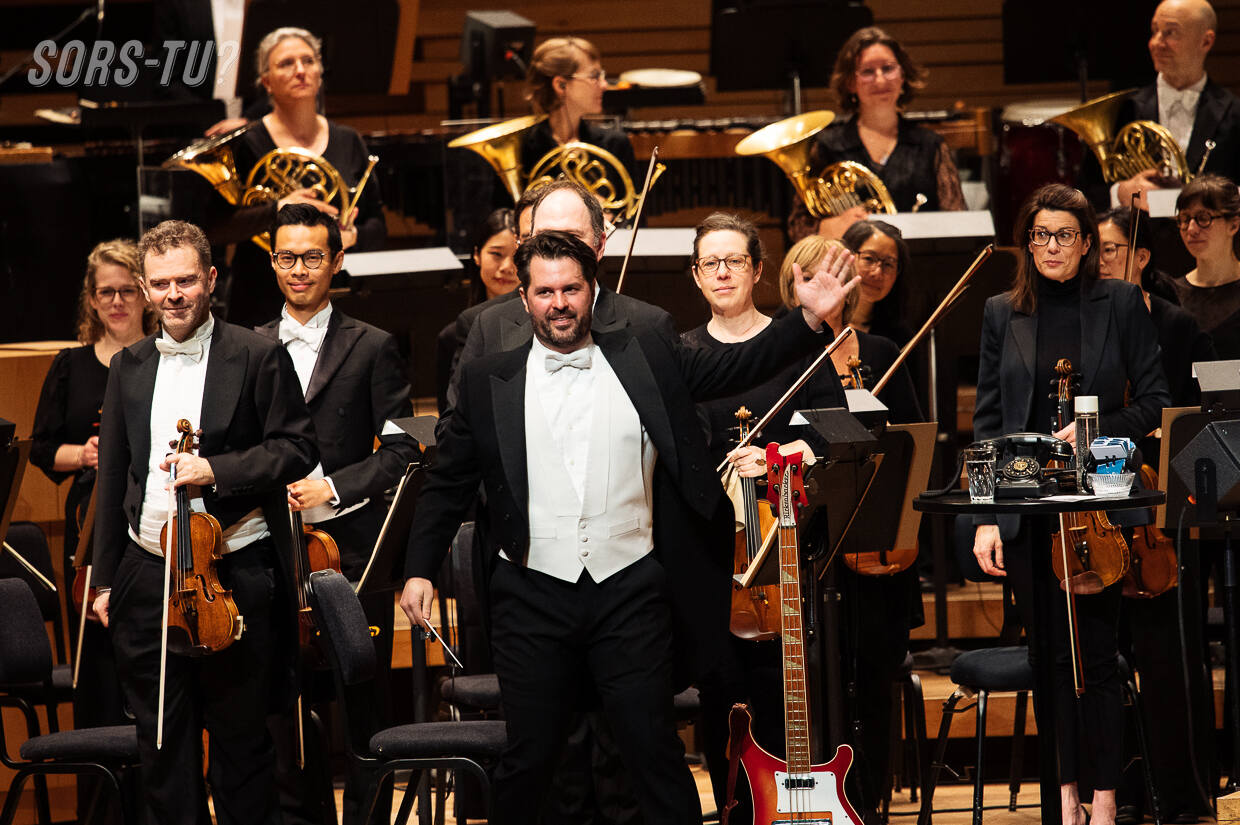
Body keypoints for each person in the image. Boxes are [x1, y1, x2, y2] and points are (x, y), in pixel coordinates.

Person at [400, 229, 856, 824]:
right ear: (524, 298)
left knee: (653, 751)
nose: (559, 304)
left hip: (630, 589)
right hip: (530, 594)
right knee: (529, 757)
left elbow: (736, 366)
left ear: (593, 291)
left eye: (571, 289)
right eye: (545, 292)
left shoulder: (645, 355)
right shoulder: (488, 377)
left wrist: (809, 320)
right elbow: (448, 481)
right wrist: (419, 569)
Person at [92, 220, 317, 825]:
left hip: (234, 572)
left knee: (242, 748)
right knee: (162, 749)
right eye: (161, 283)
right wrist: (107, 580)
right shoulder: (129, 366)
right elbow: (114, 475)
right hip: (147, 573)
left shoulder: (257, 353)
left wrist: (215, 469)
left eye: (186, 280)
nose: (174, 295)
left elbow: (297, 448)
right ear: (145, 287)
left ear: (211, 279)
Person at [971, 184, 1170, 825]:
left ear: (1086, 244)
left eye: (1064, 235)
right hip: (1027, 505)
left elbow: (1156, 401)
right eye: (1040, 235)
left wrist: (1091, 432)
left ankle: (1105, 800)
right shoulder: (1002, 311)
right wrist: (986, 517)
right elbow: (988, 420)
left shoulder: (1120, 303)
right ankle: (1064, 800)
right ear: (1026, 243)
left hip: (1099, 505)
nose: (1051, 246)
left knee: (1099, 656)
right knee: (1049, 658)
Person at [678, 212, 849, 818]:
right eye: (710, 263)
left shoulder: (792, 344)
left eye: (735, 261)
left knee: (789, 694)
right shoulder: (681, 355)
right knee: (723, 697)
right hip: (716, 558)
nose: (722, 272)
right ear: (696, 276)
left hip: (789, 547)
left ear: (757, 270)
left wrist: (781, 456)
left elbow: (833, 431)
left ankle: (799, 810)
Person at [255, 203, 418, 825]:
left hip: (352, 549)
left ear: (337, 260)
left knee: (362, 701)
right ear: (272, 262)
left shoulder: (373, 345)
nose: (298, 269)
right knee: (283, 707)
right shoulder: (246, 346)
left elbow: (403, 449)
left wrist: (332, 488)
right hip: (267, 548)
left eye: (312, 257)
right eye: (286, 257)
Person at [30, 239, 157, 824]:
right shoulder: (72, 365)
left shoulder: (161, 357)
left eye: (128, 290)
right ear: (92, 297)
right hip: (89, 526)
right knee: (98, 670)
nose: (117, 301)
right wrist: (82, 454)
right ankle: (102, 812)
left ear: (144, 295)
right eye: (106, 291)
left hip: (152, 521)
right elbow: (40, 449)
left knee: (149, 666)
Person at [1096, 205, 1215, 825]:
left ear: (1141, 258)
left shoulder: (1176, 325)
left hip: (1164, 514)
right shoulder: (1080, 322)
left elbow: (1202, 421)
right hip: (1097, 511)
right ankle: (1120, 791)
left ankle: (1182, 796)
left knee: (1170, 659)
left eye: (1110, 249)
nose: (1098, 260)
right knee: (1103, 660)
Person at [209, 26, 385, 328]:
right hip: (261, 301)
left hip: (338, 300)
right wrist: (278, 210)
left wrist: (350, 236)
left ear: (320, 73)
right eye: (286, 63)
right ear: (266, 82)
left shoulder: (349, 140)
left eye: (308, 61)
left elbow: (378, 225)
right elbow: (216, 227)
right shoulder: (245, 144)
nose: (300, 70)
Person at [787, 26, 965, 243]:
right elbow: (797, 229)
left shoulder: (930, 145)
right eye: (868, 72)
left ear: (903, 76)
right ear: (850, 83)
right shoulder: (828, 146)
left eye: (888, 68)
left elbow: (959, 224)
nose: (880, 80)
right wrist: (833, 225)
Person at [519, 37, 637, 193]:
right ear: (561, 85)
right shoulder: (522, 150)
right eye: (594, 76)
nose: (604, 84)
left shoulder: (615, 145)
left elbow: (635, 208)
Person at [436, 207, 519, 413]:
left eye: (518, 256)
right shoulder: (452, 335)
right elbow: (449, 413)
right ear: (476, 255)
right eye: (496, 254)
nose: (507, 267)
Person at [1169, 173, 1240, 357]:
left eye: (1203, 218)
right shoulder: (1171, 293)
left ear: (1233, 225)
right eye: (1185, 219)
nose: (1191, 229)